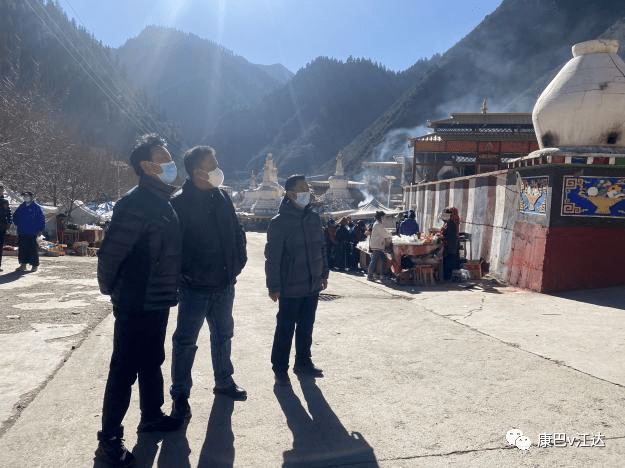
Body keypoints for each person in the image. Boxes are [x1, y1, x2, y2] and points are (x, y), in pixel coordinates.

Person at [95, 134, 182, 467]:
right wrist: (113, 292)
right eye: (164, 157)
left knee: (151, 361)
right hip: (136, 301)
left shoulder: (162, 201)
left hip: (157, 301)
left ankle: (151, 416)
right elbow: (110, 255)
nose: (171, 163)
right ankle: (109, 442)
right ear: (147, 165)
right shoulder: (136, 202)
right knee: (123, 371)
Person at [169, 145, 248, 422]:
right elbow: (171, 248)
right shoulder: (179, 202)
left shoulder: (222, 198)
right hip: (194, 288)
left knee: (223, 336)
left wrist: (238, 263)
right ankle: (180, 395)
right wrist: (183, 277)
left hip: (224, 284)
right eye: (212, 165)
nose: (217, 169)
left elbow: (237, 232)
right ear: (198, 171)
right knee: (185, 342)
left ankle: (224, 382)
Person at [265, 174, 329, 386]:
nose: (307, 192)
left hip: (312, 284)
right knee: (285, 328)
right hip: (290, 286)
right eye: (302, 188)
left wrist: (324, 273)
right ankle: (279, 368)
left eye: (307, 187)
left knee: (306, 326)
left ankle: (303, 362)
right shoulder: (279, 222)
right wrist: (273, 286)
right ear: (290, 193)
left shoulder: (313, 218)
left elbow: (321, 247)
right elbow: (272, 257)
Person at [12, 191, 45, 272]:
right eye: (24, 196)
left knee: (32, 249)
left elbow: (41, 219)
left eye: (27, 196)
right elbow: (15, 216)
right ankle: (23, 264)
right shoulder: (21, 206)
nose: (25, 198)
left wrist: (40, 229)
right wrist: (17, 223)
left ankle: (34, 265)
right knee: (22, 249)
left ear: (31, 197)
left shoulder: (36, 207)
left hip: (32, 232)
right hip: (22, 231)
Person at [367, 211, 391, 281]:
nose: (384, 218)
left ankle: (379, 275)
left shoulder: (378, 224)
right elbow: (384, 234)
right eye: (383, 217)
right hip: (377, 245)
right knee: (375, 260)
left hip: (377, 244)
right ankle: (370, 275)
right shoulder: (378, 225)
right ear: (380, 217)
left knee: (382, 259)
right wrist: (390, 236)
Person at [441, 206, 461, 281]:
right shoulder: (448, 223)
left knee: (450, 260)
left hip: (451, 245)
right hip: (450, 245)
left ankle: (448, 277)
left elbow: (449, 235)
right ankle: (447, 276)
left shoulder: (451, 224)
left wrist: (442, 237)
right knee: (448, 260)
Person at [0, 185, 11, 272]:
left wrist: (9, 223)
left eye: (1, 189)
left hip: (1, 227)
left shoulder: (5, 201)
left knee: (0, 247)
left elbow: (9, 213)